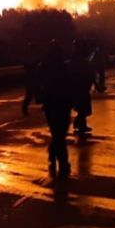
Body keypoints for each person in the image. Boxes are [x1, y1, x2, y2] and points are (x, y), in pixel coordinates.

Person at [37, 42, 74, 177]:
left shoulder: (45, 68)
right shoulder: (65, 68)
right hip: (62, 105)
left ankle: (54, 157)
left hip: (51, 106)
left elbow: (40, 88)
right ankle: (62, 162)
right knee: (60, 135)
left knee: (57, 134)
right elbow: (70, 86)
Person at [71, 40, 95, 135]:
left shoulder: (76, 58)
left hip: (79, 85)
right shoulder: (80, 60)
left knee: (82, 107)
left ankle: (80, 124)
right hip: (81, 86)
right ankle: (80, 124)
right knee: (83, 107)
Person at [21, 42, 40, 116]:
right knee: (30, 94)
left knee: (31, 94)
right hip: (31, 78)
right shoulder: (32, 58)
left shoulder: (28, 57)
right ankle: (24, 108)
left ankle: (25, 108)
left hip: (31, 78)